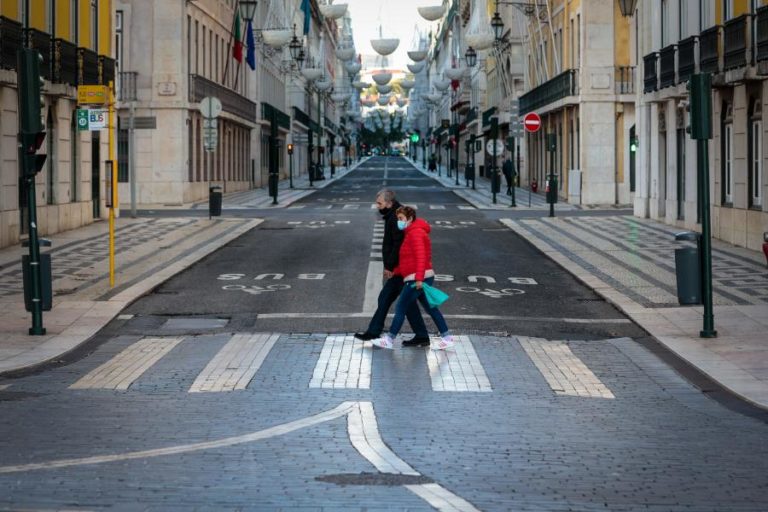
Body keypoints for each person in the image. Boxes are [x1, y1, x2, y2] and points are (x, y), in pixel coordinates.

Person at [371, 206, 454, 351]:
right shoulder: (411, 232)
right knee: (431, 308)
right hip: (417, 276)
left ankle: (389, 339)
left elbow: (421, 258)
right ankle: (447, 338)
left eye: (401, 218)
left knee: (401, 306)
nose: (399, 221)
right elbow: (408, 260)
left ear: (410, 219)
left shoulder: (415, 233)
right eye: (398, 218)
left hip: (417, 278)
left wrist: (419, 279)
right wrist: (395, 271)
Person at [354, 190, 430, 347]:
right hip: (401, 268)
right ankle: (420, 335)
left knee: (394, 299)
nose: (377, 206)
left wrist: (390, 266)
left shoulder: (396, 217)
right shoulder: (393, 215)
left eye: (380, 203)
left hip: (402, 269)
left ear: (389, 203)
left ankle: (376, 332)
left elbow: (397, 245)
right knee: (399, 300)